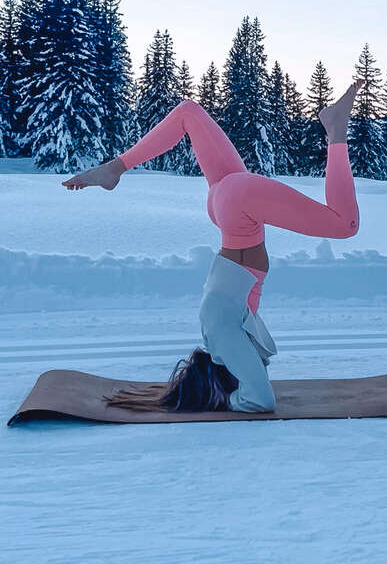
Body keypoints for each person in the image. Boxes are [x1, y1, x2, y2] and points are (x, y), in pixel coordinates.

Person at [61, 79, 363, 413]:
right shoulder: (217, 331)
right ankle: (115, 168)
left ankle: (336, 131)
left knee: (343, 224)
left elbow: (260, 400)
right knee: (188, 113)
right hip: (229, 209)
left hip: (237, 205)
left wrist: (228, 402)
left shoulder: (222, 339)